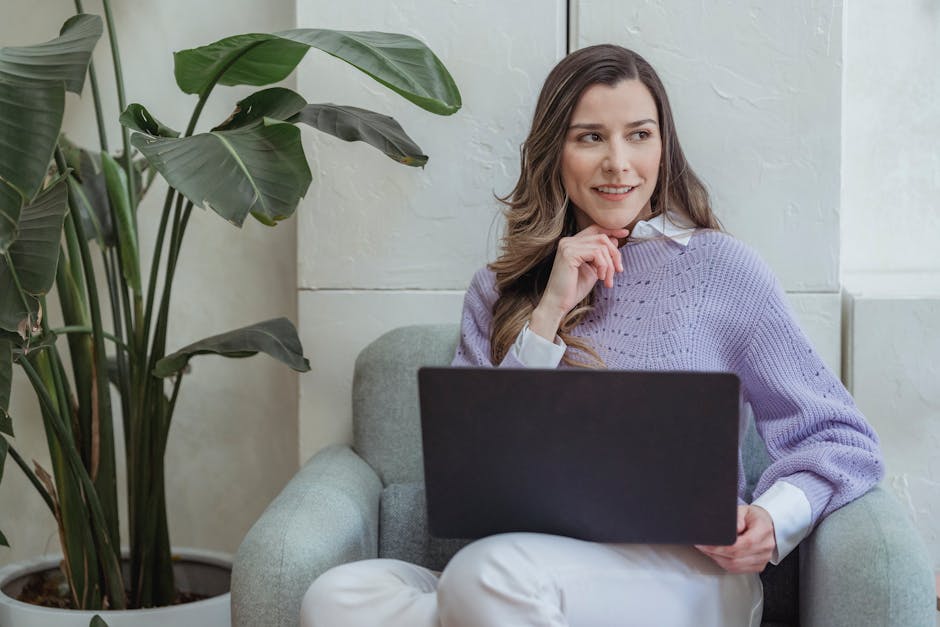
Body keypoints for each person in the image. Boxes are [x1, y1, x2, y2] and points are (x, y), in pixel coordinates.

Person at [299, 44, 884, 627]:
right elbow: (475, 474)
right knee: (340, 596)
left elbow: (839, 435)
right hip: (527, 563)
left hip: (691, 572)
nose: (619, 164)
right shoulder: (498, 290)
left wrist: (775, 522)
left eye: (639, 135)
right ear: (555, 153)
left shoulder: (723, 270)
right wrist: (548, 310)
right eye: (590, 138)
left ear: (664, 146)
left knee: (489, 573)